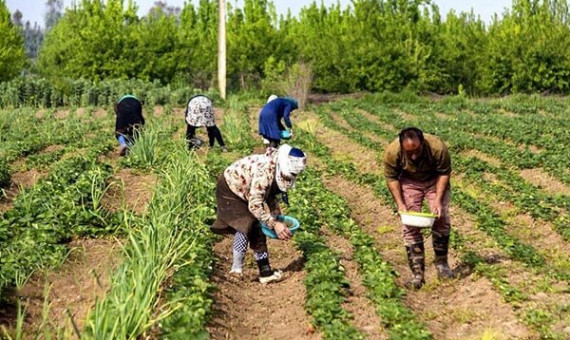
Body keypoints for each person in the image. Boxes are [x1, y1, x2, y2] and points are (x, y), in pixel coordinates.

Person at [211, 144, 307, 284]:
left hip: (247, 190)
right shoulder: (264, 172)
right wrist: (274, 224)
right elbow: (255, 204)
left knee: (258, 229)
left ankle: (265, 271)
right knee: (245, 225)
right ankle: (236, 270)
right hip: (232, 188)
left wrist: (275, 213)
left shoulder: (276, 165)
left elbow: (269, 192)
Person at [383, 127, 453, 290]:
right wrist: (400, 204)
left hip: (434, 180)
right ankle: (417, 275)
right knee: (410, 224)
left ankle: (442, 265)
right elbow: (392, 178)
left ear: (422, 142)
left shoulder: (437, 147)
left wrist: (437, 200)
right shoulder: (392, 152)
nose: (413, 155)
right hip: (409, 182)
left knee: (441, 218)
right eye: (409, 152)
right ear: (401, 146)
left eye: (417, 150)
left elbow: (444, 173)